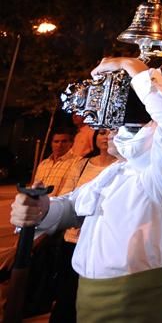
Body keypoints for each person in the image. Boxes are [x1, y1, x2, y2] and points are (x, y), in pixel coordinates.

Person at [10, 57, 162, 322]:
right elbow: (73, 207)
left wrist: (134, 67)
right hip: (86, 298)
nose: (107, 130)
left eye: (116, 120)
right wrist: (39, 209)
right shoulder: (116, 172)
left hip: (133, 305)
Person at [51, 129, 119, 322]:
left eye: (111, 132)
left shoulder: (124, 167)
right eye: (102, 133)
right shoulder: (81, 165)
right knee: (66, 294)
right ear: (95, 138)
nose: (106, 137)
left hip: (98, 244)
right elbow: (67, 196)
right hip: (72, 240)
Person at [33, 130, 82, 197]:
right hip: (39, 205)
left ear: (71, 143)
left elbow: (71, 191)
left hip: (60, 205)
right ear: (51, 143)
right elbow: (35, 187)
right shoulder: (43, 164)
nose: (59, 145)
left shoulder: (77, 162)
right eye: (56, 141)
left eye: (64, 141)